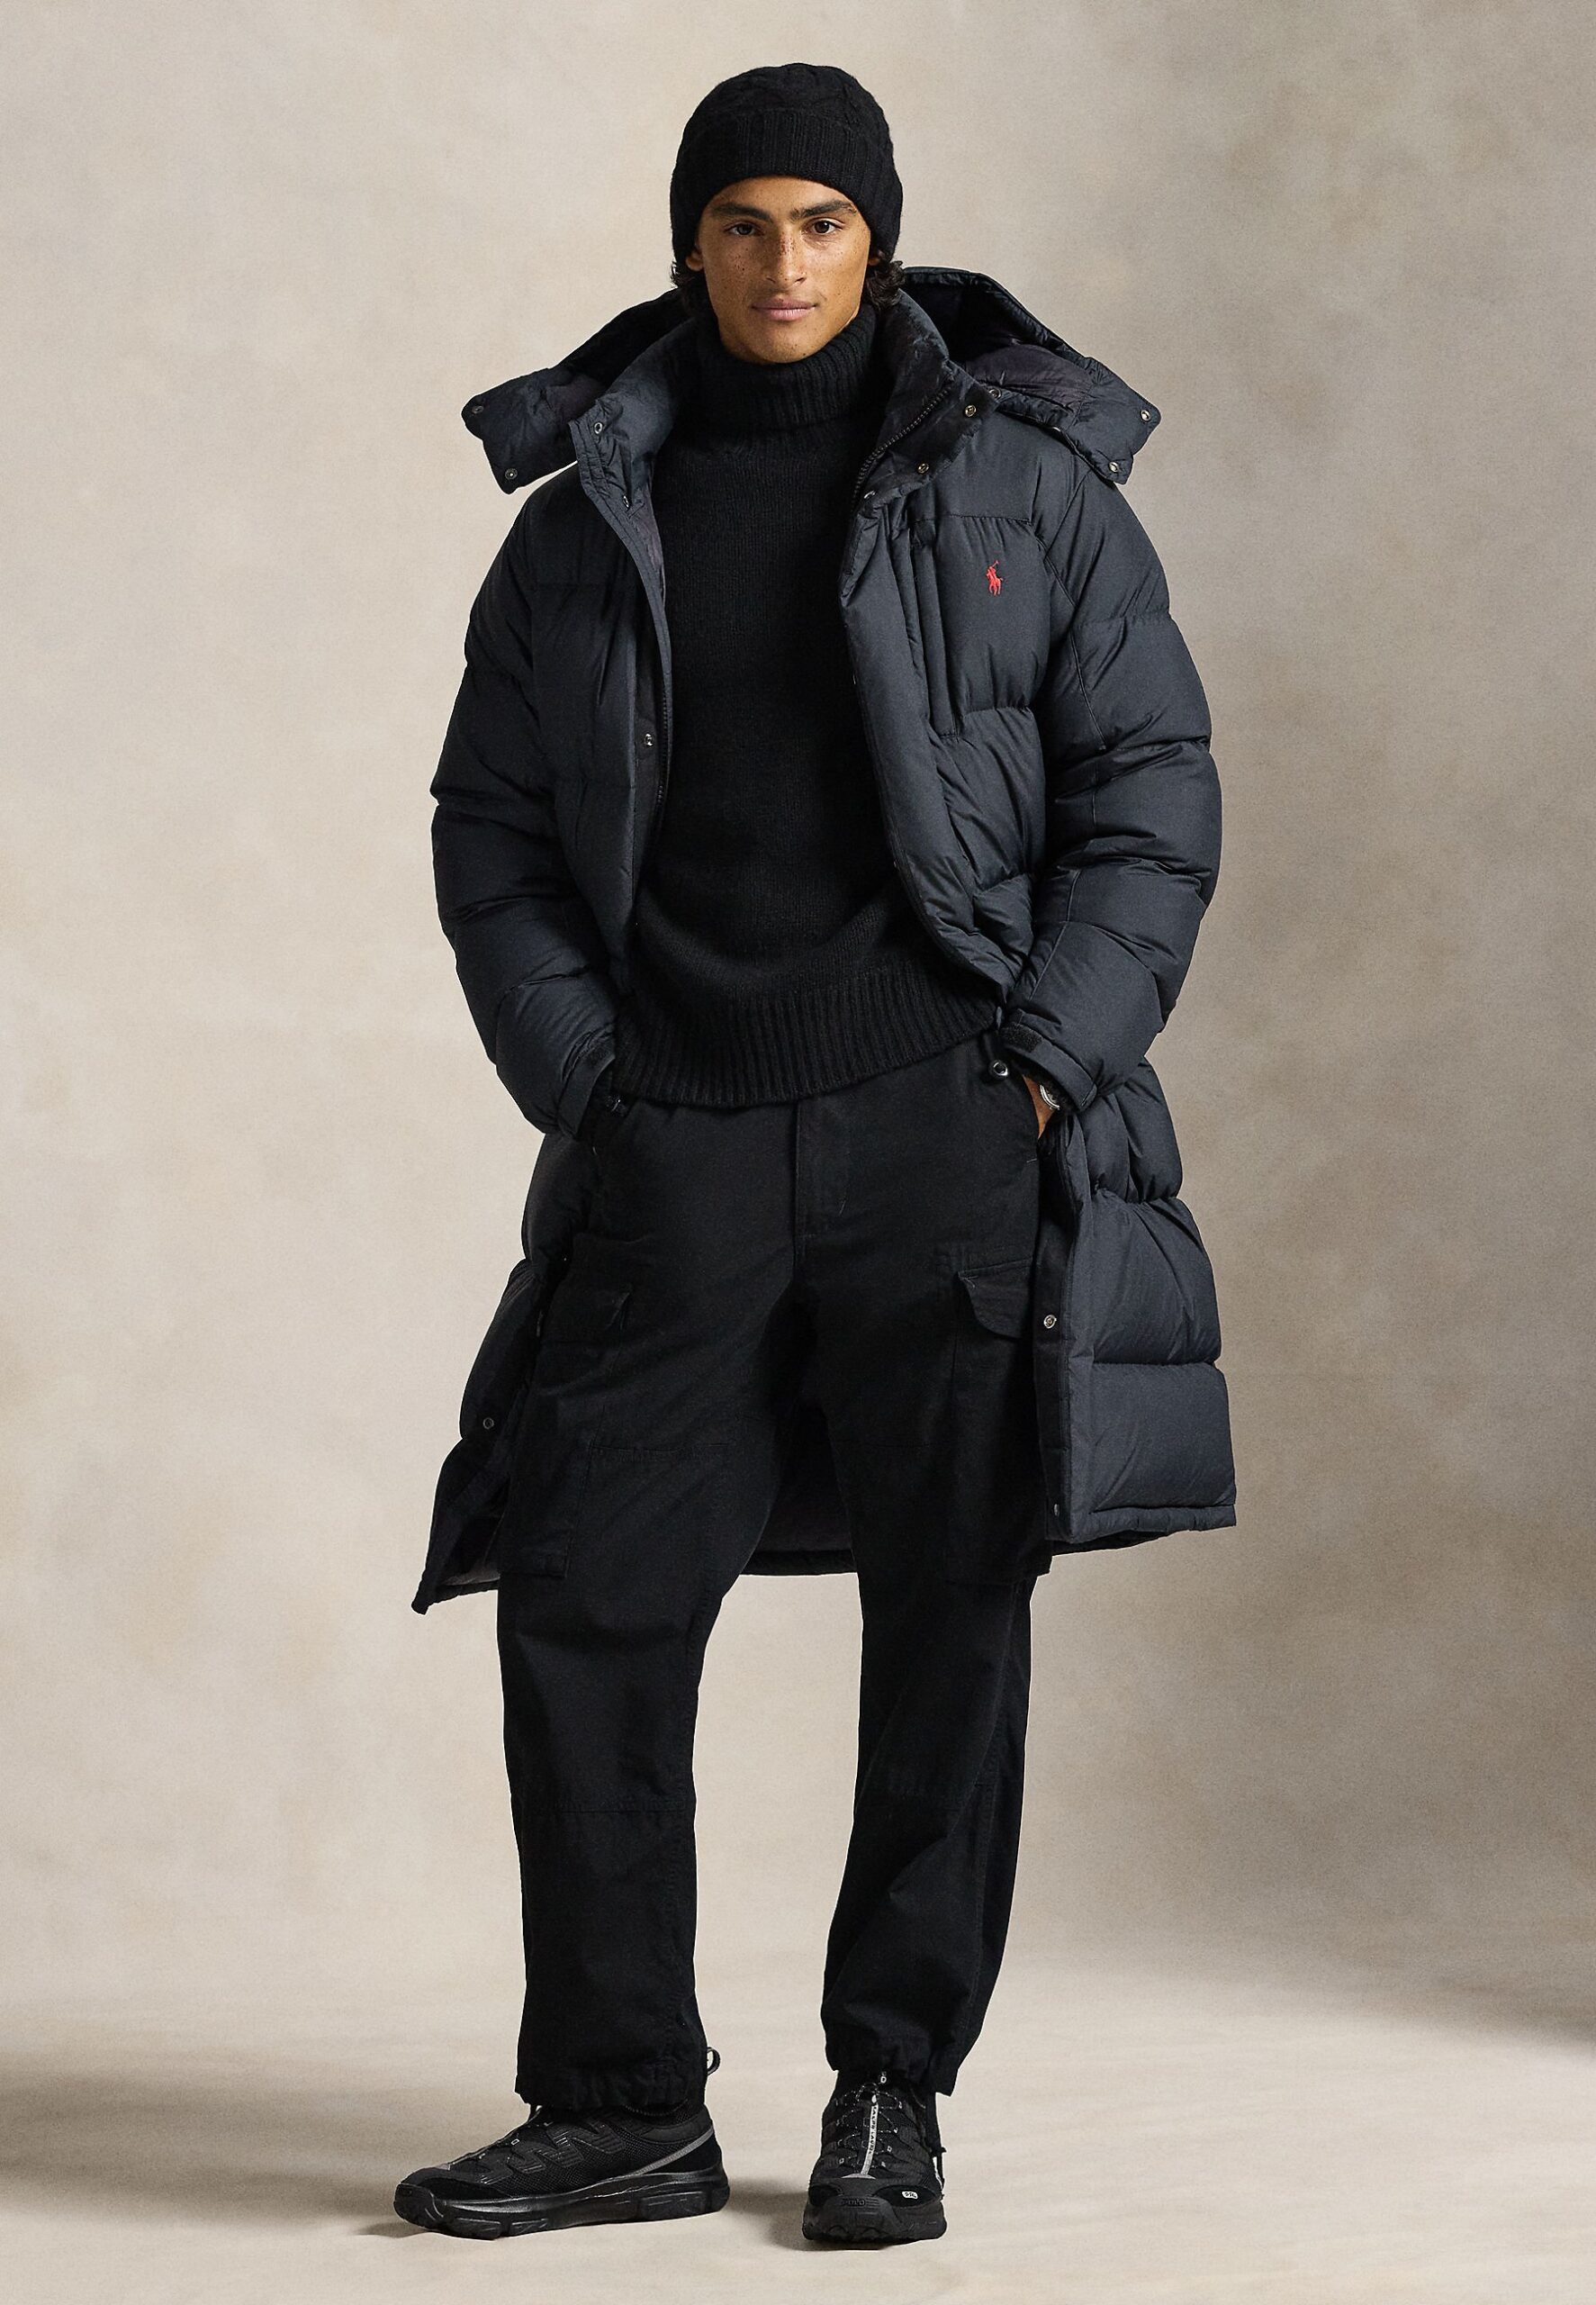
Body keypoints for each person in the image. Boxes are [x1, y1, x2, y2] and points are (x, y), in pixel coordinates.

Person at [395, 59, 1232, 2250]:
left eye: (823, 223)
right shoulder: (580, 518)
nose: (784, 263)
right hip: (669, 1132)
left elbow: (1148, 788)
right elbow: (490, 824)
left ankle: (889, 2084)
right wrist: (590, 1080)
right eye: (745, 222)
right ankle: (617, 2103)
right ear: (689, 242)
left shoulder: (1024, 485)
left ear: (879, 240)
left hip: (940, 1124)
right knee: (586, 1597)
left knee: (951, 1607)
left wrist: (1033, 1064)